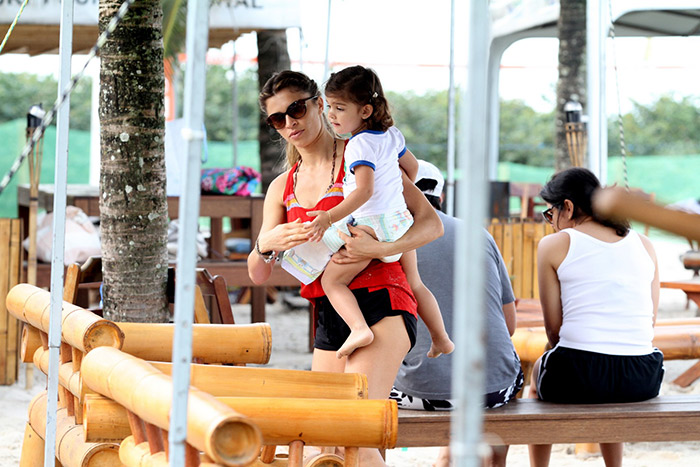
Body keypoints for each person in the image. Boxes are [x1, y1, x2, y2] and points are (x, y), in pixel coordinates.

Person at [248, 70, 443, 466]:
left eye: (296, 109)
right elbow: (258, 273)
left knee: (356, 432)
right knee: (325, 444)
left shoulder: (364, 156)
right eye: (277, 119)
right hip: (330, 310)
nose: (290, 123)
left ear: (320, 104)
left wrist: (381, 246)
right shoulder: (282, 186)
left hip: (382, 298)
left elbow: (430, 223)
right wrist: (264, 244)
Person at [286, 65, 453, 359]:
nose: (332, 115)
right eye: (330, 107)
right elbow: (411, 169)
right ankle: (441, 338)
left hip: (371, 224)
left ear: (365, 110)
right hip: (399, 221)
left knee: (331, 280)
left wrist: (328, 216)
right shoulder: (391, 135)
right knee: (416, 283)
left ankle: (359, 328)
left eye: (340, 108)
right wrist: (393, 194)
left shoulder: (357, 145)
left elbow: (364, 191)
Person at [389, 160, 523, 467]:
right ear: (442, 197)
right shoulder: (478, 234)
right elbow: (509, 325)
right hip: (493, 391)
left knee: (370, 379)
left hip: (418, 394)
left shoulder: (386, 238)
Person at [529, 167, 665, 467]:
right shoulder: (644, 244)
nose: (551, 223)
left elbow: (554, 330)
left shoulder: (555, 245)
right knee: (609, 386)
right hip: (643, 377)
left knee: (538, 374)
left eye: (549, 214)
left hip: (578, 372)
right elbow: (650, 320)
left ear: (567, 206)